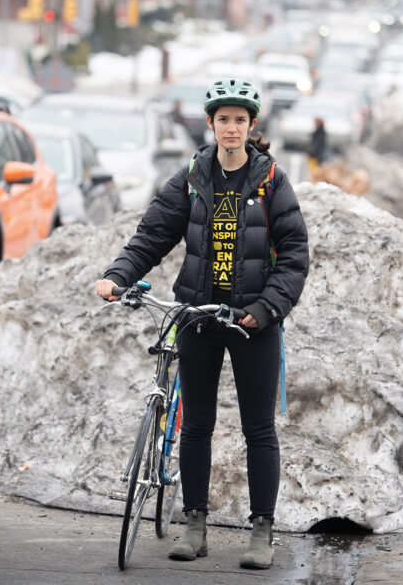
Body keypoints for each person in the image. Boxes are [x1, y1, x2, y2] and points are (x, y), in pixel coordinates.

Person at [96, 78, 309, 570]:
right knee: (195, 425)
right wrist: (118, 275)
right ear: (211, 124)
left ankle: (262, 532)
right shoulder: (192, 177)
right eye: (223, 119)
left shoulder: (271, 181)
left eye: (240, 120)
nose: (231, 128)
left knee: (258, 429)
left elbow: (294, 256)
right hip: (197, 316)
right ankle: (195, 526)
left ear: (251, 126)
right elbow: (153, 234)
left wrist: (267, 308)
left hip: (253, 322)